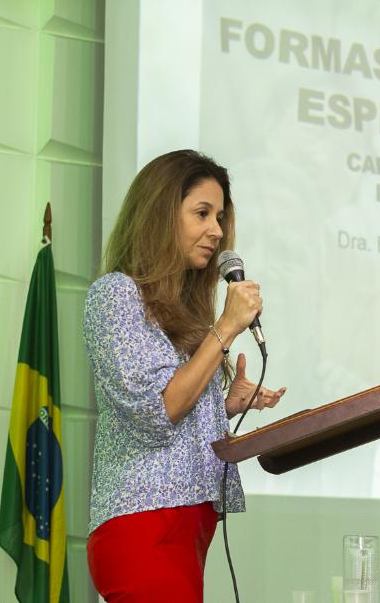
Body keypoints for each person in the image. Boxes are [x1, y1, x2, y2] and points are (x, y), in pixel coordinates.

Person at [83, 149, 286, 601]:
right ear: (160, 214)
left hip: (188, 525)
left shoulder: (181, 310)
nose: (217, 230)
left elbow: (176, 401)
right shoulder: (115, 295)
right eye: (202, 213)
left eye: (220, 217)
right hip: (144, 523)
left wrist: (223, 405)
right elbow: (156, 411)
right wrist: (226, 327)